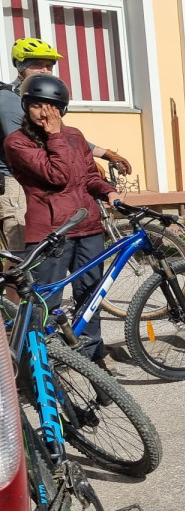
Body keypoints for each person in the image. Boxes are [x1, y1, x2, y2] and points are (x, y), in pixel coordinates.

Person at [4, 75, 116, 367]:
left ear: (62, 108)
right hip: (51, 233)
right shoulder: (17, 142)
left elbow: (88, 176)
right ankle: (42, 365)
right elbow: (58, 176)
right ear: (25, 106)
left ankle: (92, 358)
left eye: (52, 106)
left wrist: (108, 191)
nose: (45, 113)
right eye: (37, 105)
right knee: (46, 303)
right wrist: (55, 135)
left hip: (88, 227)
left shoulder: (75, 135)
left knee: (90, 296)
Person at [0, 38, 130, 251]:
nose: (45, 70)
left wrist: (105, 154)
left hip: (52, 175)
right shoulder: (10, 99)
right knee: (22, 253)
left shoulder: (43, 94)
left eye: (49, 66)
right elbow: (33, 143)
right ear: (20, 67)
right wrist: (77, 162)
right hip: (18, 182)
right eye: (37, 65)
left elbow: (62, 135)